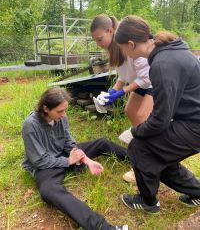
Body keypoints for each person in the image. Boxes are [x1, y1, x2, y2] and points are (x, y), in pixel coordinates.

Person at [114, 15, 200, 214]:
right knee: (162, 158)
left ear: (131, 44)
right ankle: (197, 192)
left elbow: (160, 119)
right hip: (191, 121)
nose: (123, 53)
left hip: (194, 126)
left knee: (139, 148)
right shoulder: (171, 52)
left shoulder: (162, 64)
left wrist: (136, 131)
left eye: (122, 48)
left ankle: (148, 202)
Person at [22, 87, 128, 230]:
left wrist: (86, 160)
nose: (64, 115)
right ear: (46, 108)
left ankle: (142, 161)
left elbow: (69, 143)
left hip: (66, 155)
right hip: (46, 166)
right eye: (60, 111)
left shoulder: (62, 117)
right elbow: (39, 161)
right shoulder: (30, 125)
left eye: (65, 110)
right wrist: (69, 161)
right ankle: (102, 227)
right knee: (49, 191)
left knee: (102, 143)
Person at [90, 14, 154, 182]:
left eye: (100, 39)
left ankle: (146, 164)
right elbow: (123, 76)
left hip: (154, 83)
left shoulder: (128, 44)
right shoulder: (114, 50)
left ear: (110, 31)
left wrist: (122, 92)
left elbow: (145, 78)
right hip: (140, 84)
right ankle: (142, 150)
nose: (98, 44)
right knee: (130, 111)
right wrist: (111, 92)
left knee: (141, 118)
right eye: (95, 40)